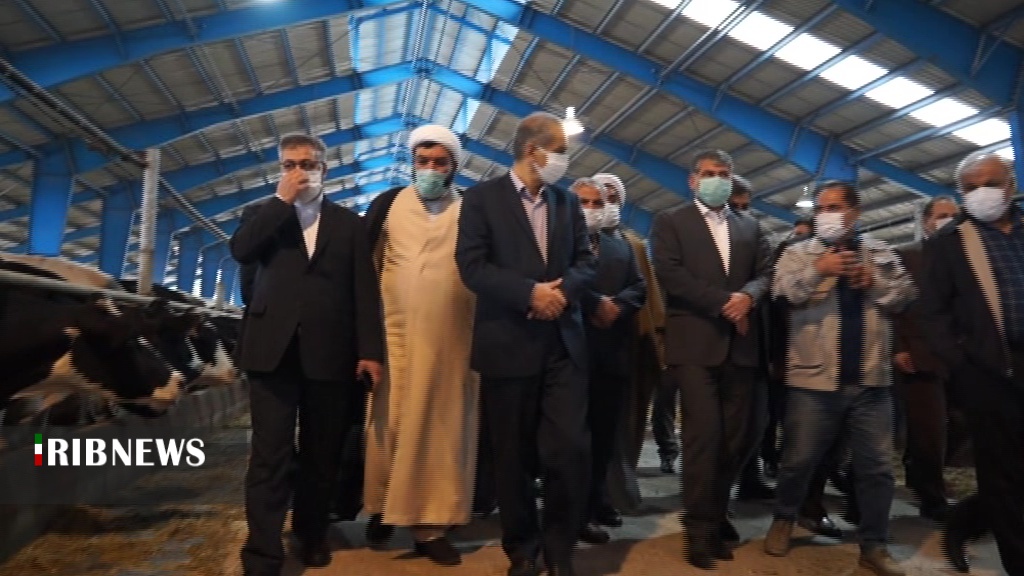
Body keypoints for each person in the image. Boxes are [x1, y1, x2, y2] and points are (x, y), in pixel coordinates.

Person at [230, 133, 384, 575]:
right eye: (289, 165)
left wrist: (370, 350)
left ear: (324, 170)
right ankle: (263, 551)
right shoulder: (261, 215)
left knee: (322, 453)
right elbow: (241, 251)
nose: (298, 172)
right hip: (271, 352)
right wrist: (280, 202)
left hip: (330, 351)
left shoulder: (349, 224)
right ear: (279, 170)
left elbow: (364, 291)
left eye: (308, 164)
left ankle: (311, 534)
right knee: (270, 454)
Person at [455, 111, 595, 576]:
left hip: (562, 344)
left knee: (568, 449)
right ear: (533, 151)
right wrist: (528, 294)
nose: (564, 160)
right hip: (508, 343)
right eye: (560, 150)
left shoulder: (566, 202)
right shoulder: (481, 199)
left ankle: (560, 546)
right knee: (511, 454)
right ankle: (522, 547)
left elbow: (585, 262)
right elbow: (472, 266)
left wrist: (560, 294)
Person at [765, 181, 915, 576]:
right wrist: (819, 270)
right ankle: (784, 517)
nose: (825, 215)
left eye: (834, 207)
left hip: (871, 381)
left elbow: (905, 295)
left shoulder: (880, 252)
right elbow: (782, 293)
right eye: (820, 208)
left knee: (877, 468)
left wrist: (874, 282)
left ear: (855, 212)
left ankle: (873, 544)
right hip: (813, 380)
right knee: (798, 460)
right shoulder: (798, 253)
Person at [360, 125, 479, 566]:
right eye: (423, 161)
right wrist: (366, 343)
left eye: (439, 162)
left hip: (453, 343)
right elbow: (365, 273)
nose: (430, 169)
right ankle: (382, 509)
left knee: (439, 432)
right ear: (412, 163)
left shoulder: (471, 210)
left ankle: (430, 527)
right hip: (394, 341)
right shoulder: (388, 205)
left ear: (453, 167)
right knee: (388, 425)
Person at [651, 149, 771, 570]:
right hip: (695, 347)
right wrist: (725, 303)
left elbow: (766, 273)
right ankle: (699, 528)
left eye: (723, 173)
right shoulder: (671, 222)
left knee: (737, 441)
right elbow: (671, 274)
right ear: (693, 180)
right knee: (704, 439)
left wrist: (748, 297)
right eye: (708, 173)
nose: (716, 179)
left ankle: (717, 515)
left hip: (741, 348)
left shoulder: (751, 226)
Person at [919, 152, 1024, 575]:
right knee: (1002, 471)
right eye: (970, 187)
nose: (981, 193)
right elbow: (933, 314)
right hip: (990, 370)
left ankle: (967, 521)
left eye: (990, 183)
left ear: (1011, 185)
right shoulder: (950, 242)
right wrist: (962, 366)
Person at [571, 177, 646, 546]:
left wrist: (618, 306)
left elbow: (639, 286)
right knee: (573, 441)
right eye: (582, 202)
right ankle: (571, 512)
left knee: (603, 438)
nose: (590, 209)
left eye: (596, 203)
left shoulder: (621, 246)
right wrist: (595, 304)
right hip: (571, 354)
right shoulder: (559, 243)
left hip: (612, 354)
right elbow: (557, 280)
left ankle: (594, 503)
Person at [592, 172, 666, 511]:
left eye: (612, 199)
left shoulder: (632, 245)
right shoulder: (570, 240)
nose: (604, 206)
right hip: (579, 347)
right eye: (598, 199)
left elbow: (647, 298)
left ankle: (613, 494)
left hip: (624, 346)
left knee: (620, 426)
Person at [891, 195, 960, 521]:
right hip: (919, 355)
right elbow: (890, 305)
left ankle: (919, 467)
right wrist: (896, 347)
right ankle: (932, 497)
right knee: (930, 429)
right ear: (926, 222)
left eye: (953, 215)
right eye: (941, 215)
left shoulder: (969, 256)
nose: (948, 220)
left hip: (960, 357)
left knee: (961, 423)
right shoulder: (906, 255)